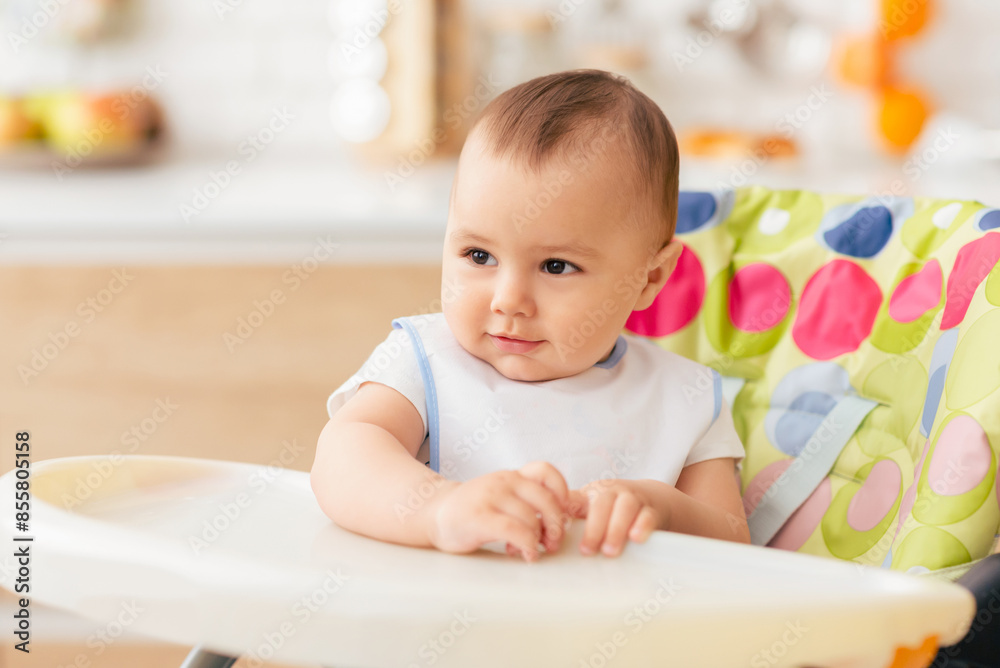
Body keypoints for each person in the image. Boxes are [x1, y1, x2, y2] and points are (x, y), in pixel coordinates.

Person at [311, 69, 749, 563]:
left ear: (649, 278)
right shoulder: (423, 360)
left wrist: (665, 510)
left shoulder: (687, 397)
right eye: (479, 255)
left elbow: (735, 545)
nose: (508, 300)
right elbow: (344, 455)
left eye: (556, 266)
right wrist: (438, 508)